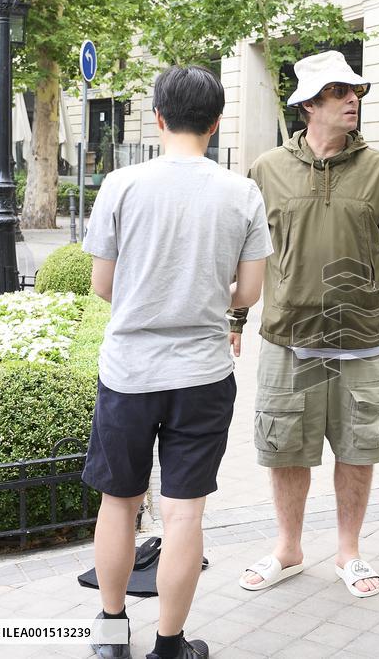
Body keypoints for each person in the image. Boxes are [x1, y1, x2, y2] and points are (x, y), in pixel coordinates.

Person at [81, 65, 272, 659]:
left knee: (120, 503)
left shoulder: (121, 184)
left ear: (158, 118)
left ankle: (112, 637)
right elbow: (248, 295)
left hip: (129, 373)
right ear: (216, 124)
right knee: (184, 513)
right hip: (203, 374)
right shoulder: (241, 192)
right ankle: (170, 645)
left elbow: (102, 285)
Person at [236, 50, 379, 598]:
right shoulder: (266, 170)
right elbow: (246, 254)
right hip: (288, 337)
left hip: (363, 337)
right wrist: (235, 317)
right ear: (308, 106)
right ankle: (289, 548)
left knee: (359, 447)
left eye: (355, 92)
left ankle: (349, 551)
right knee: (286, 448)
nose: (354, 100)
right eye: (340, 92)